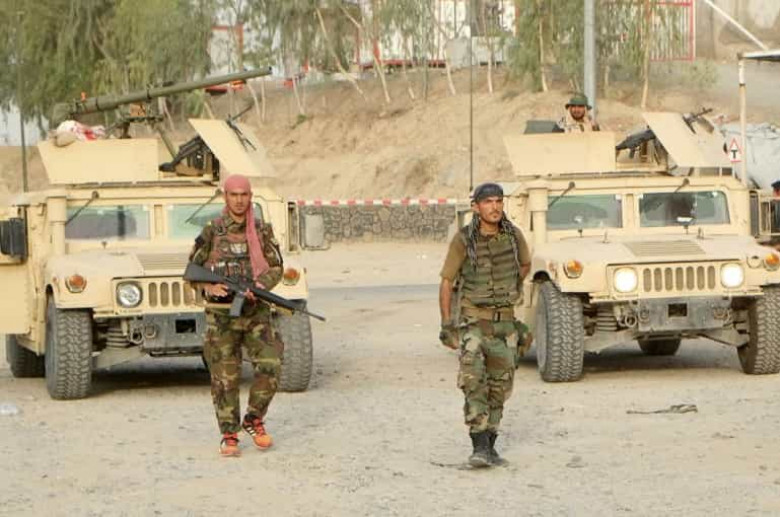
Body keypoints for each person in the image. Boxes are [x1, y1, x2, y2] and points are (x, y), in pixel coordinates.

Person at [188, 174, 284, 457]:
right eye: (234, 194)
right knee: (224, 377)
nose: (239, 200)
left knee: (271, 363)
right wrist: (209, 286)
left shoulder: (261, 230)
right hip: (222, 316)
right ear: (225, 197)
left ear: (250, 196)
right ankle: (229, 435)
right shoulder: (212, 230)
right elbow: (192, 270)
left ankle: (254, 419)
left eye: (244, 194)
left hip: (256, 313)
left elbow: (276, 266)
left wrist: (259, 286)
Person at [438, 182, 531, 468]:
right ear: (476, 207)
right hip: (473, 324)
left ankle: (490, 445)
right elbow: (447, 282)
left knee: (500, 387)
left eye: (498, 201)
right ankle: (478, 446)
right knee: (473, 382)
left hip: (504, 325)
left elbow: (525, 265)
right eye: (488, 202)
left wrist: (508, 288)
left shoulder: (513, 236)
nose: (495, 207)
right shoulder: (463, 240)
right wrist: (447, 324)